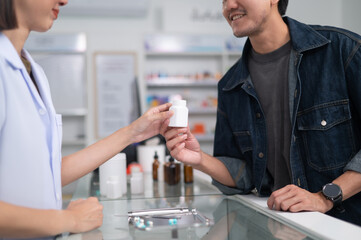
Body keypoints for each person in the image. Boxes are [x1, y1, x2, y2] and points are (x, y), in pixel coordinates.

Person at [161, 0, 361, 226]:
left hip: (346, 226)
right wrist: (198, 160)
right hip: (282, 225)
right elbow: (245, 174)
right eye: (224, 0)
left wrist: (325, 197)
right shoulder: (230, 85)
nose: (229, 6)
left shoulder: (341, 50)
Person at [0, 0, 173, 238]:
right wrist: (67, 219)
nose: (64, 1)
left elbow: (49, 172)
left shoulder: (34, 72)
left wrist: (133, 133)